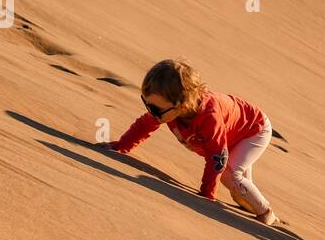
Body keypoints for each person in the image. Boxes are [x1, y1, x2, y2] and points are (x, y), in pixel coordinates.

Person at [105, 58, 279, 225]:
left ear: (183, 105)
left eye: (156, 108)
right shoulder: (169, 111)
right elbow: (144, 125)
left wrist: (207, 194)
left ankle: (266, 213)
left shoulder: (209, 118)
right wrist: (120, 146)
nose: (152, 112)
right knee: (238, 190)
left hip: (254, 130)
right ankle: (246, 197)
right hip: (232, 130)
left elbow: (217, 157)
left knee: (230, 176)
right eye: (147, 104)